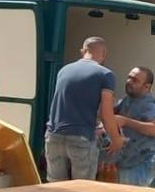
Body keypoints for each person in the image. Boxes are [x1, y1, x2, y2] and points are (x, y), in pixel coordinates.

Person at [44, 38, 123, 181]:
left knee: (55, 191)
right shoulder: (105, 74)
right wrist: (116, 139)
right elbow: (106, 113)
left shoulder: (64, 70)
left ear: (83, 51)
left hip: (53, 136)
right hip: (81, 137)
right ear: (104, 53)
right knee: (84, 191)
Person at [103, 66, 155, 186]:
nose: (129, 82)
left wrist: (126, 121)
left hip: (140, 164)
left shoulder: (148, 104)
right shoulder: (127, 100)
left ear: (147, 86)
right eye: (129, 78)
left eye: (135, 80)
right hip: (125, 162)